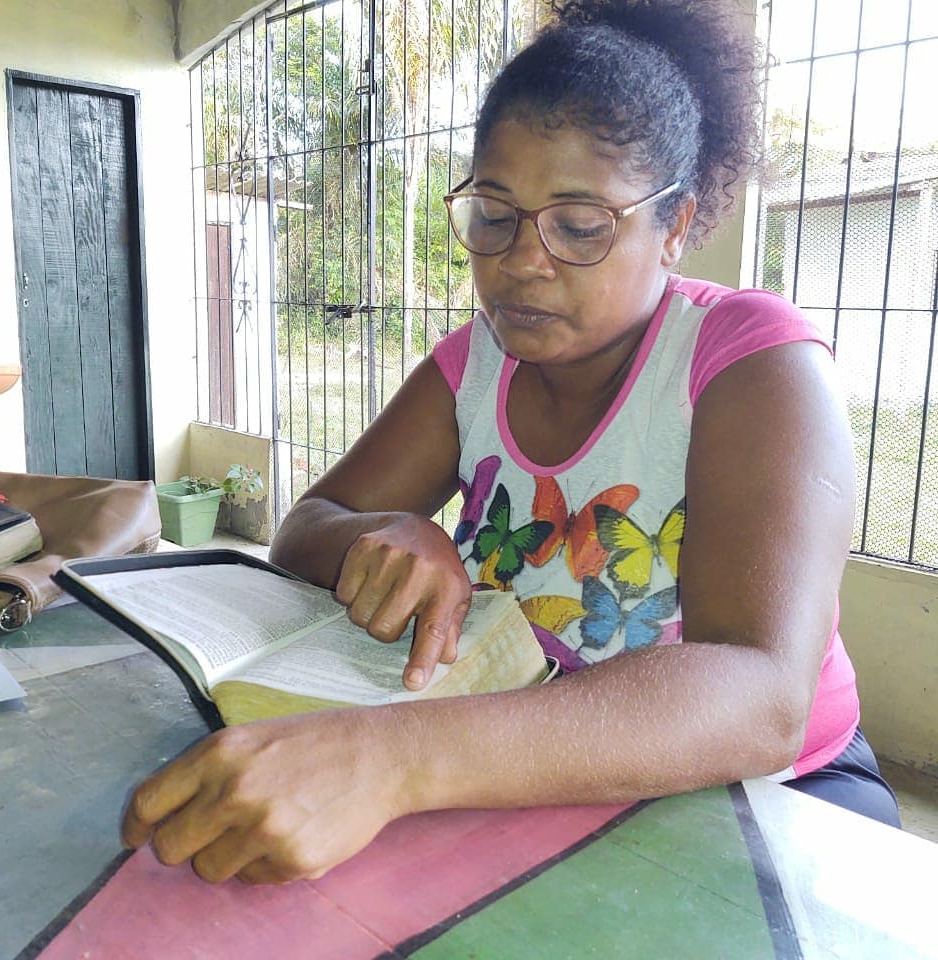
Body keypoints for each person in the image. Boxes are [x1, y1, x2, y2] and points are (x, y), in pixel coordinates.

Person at [122, 0, 899, 884]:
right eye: (495, 214)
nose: (522, 261)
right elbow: (307, 526)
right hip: (528, 768)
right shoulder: (474, 365)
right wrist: (385, 533)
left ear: (676, 225)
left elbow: (761, 699)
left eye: (579, 226)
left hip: (773, 800)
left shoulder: (750, 364)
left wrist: (389, 760)